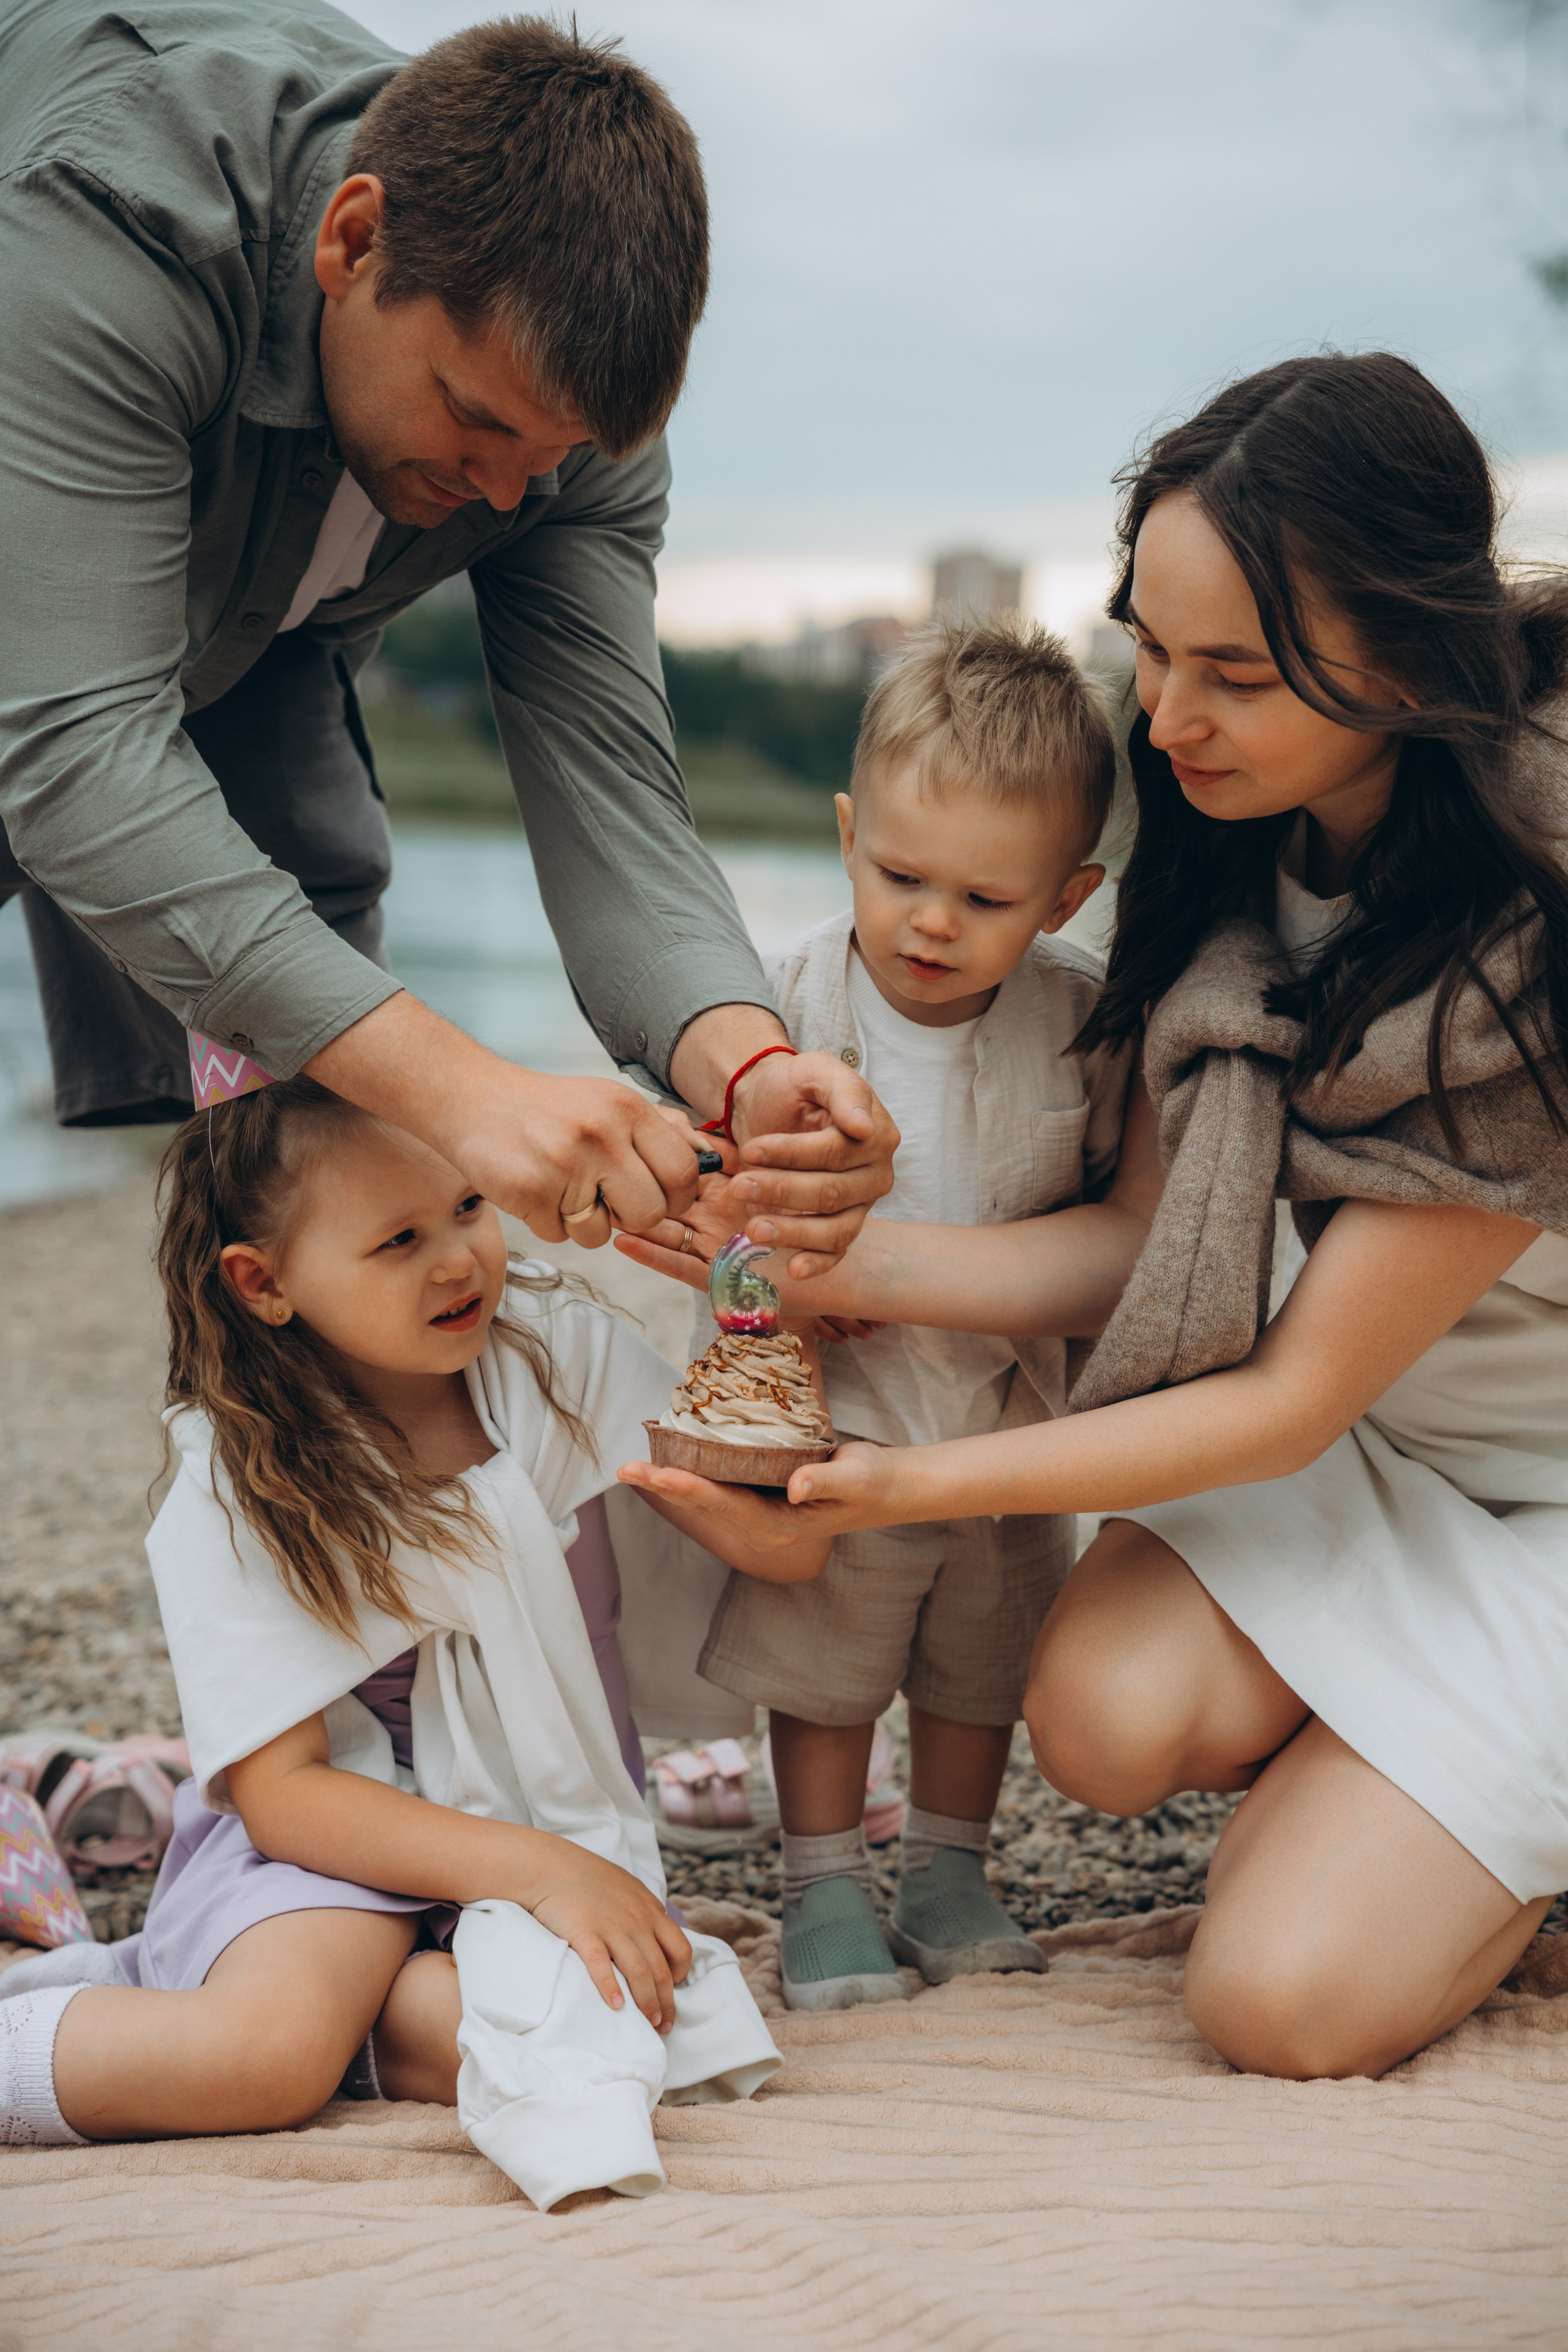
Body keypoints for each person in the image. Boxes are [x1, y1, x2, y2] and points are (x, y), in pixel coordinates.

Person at [619, 352, 1568, 2080]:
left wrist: (905, 1482)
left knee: (1273, 2011)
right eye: (1151, 645)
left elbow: (1285, 1400)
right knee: (1103, 1720)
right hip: (1364, 1452)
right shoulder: (1225, 844)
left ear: (1412, 662)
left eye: (1236, 673)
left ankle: (1462, 1801)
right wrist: (821, 1249)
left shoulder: (1533, 933)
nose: (1169, 716)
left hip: (1518, 1488)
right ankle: (1395, 1775)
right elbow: (1144, 1235)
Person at [0, 0, 892, 1270]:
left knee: (314, 1131)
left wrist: (741, 1059)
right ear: (353, 241)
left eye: (555, 456)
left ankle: (263, 1446)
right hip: (32, 511)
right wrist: (464, 1089)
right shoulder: (113, 218)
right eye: (474, 423)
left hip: (253, 635)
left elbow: (613, 803)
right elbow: (78, 757)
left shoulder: (557, 428)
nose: (503, 496)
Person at [0, 1067, 828, 2205]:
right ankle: (208, 1995)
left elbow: (765, 1546)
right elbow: (284, 1795)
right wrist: (546, 1874)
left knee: (596, 2033)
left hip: (538, 1822)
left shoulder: (553, 1358)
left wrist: (773, 1347)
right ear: (265, 1281)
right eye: (397, 1241)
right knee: (268, 2059)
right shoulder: (240, 1475)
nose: (458, 1261)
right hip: (333, 1851)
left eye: (470, 1207)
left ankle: (207, 1994)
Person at [663, 614, 1129, 2010]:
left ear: (1062, 897)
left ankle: (946, 1867)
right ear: (848, 832)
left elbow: (1113, 1212)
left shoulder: (1078, 1022)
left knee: (980, 1658)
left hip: (1004, 1421)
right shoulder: (783, 1007)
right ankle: (818, 1882)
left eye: (984, 900)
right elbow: (706, 1214)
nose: (931, 922)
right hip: (830, 1413)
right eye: (899, 873)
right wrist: (771, 1305)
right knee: (822, 1662)